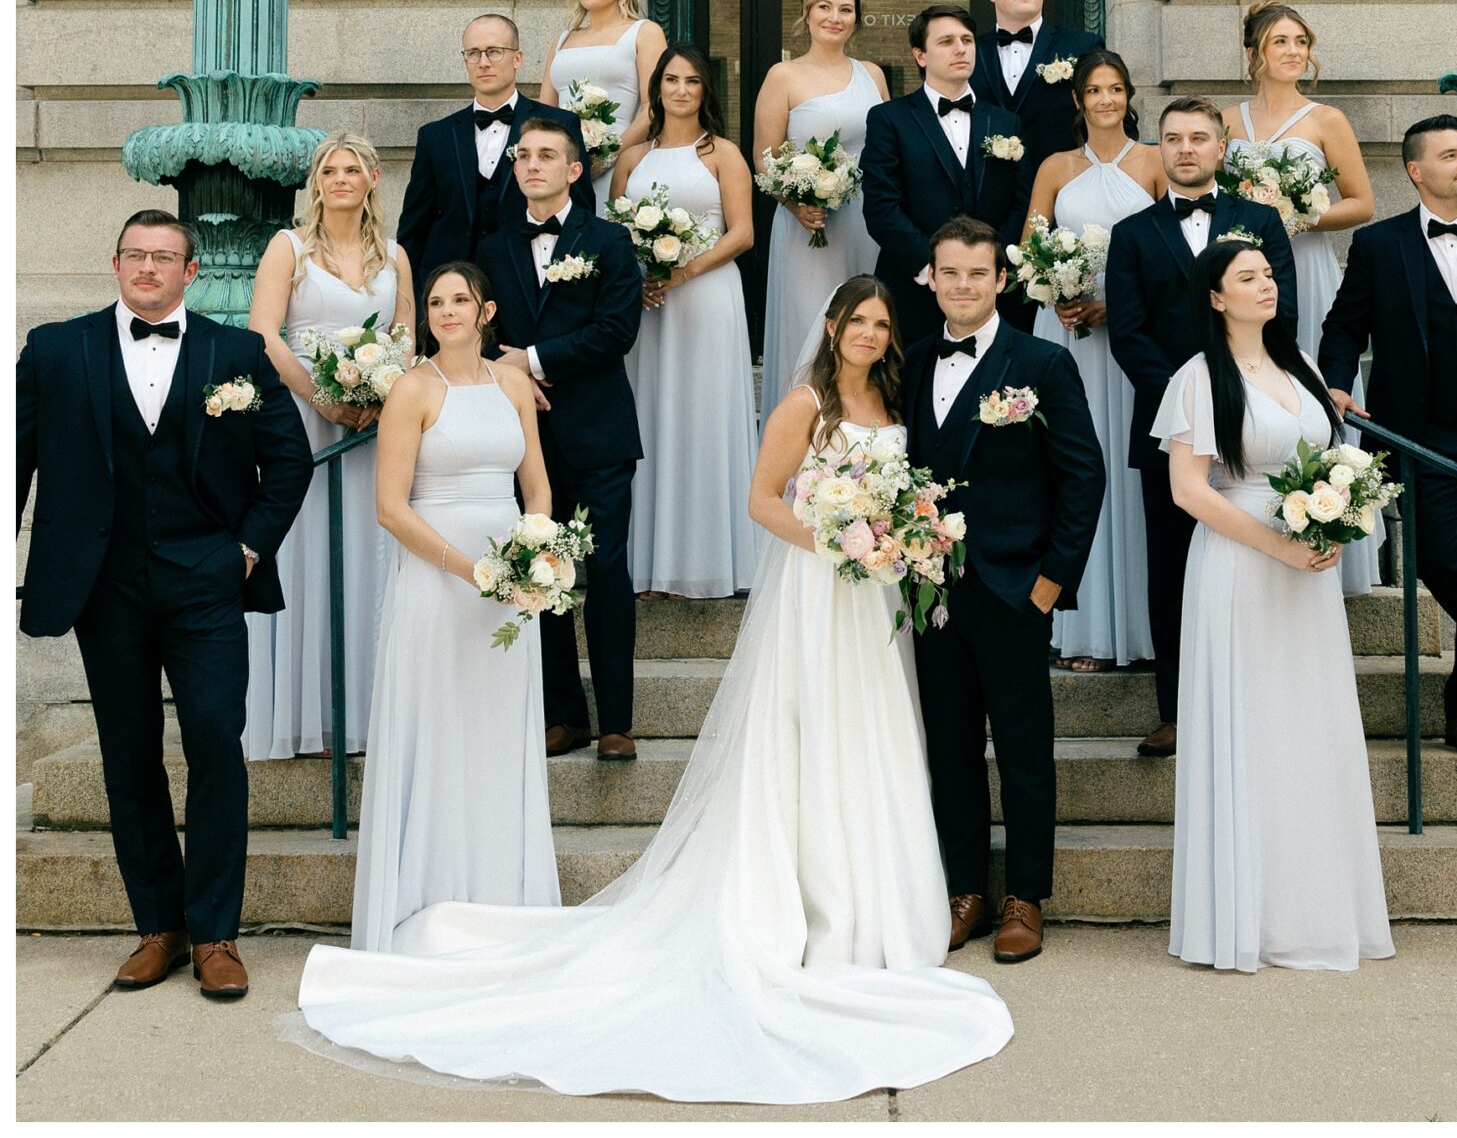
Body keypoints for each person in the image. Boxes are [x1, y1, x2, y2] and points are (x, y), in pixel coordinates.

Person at [294, 275, 1013, 1102]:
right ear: (832, 326)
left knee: (875, 737)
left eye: (883, 324)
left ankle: (877, 905)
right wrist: (837, 541)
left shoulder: (894, 404)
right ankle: (812, 907)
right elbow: (761, 500)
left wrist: (895, 542)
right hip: (820, 592)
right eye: (859, 321)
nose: (871, 334)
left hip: (871, 602)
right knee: (812, 736)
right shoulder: (800, 404)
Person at [16, 209, 312, 1002]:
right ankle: (159, 928)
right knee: (129, 753)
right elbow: (16, 461)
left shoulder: (235, 351)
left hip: (205, 581)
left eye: (165, 256)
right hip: (100, 585)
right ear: (116, 264)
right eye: (135, 255)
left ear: (190, 270)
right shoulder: (53, 349)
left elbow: (289, 463)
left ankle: (217, 933)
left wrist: (244, 551)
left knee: (216, 740)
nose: (148, 267)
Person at [1154, 234, 1394, 973]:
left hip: (1307, 572)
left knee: (1307, 726)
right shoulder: (1196, 378)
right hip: (1239, 564)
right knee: (1250, 726)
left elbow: (1329, 459)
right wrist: (1276, 544)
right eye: (1247, 277)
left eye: (1268, 275)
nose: (1266, 286)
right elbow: (1187, 490)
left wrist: (1338, 515)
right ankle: (1245, 916)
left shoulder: (1305, 367)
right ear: (1216, 297)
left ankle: (1315, 908)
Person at [903, 217, 1105, 966]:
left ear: (999, 281)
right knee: (949, 748)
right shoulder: (912, 361)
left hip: (1016, 588)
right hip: (930, 589)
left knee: (1023, 749)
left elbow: (1083, 476)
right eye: (948, 273)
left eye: (975, 274)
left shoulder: (1042, 363)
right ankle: (966, 890)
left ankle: (1026, 895)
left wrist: (1050, 583)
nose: (961, 286)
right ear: (931, 279)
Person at [345, 264, 561, 952]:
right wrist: (472, 571)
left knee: (499, 731)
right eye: (435, 302)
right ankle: (431, 894)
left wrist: (534, 555)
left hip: (508, 588)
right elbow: (389, 507)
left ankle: (507, 893)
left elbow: (537, 487)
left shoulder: (512, 383)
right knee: (438, 727)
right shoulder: (412, 389)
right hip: (439, 583)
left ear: (486, 308)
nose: (445, 311)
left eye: (458, 299)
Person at [1318, 114, 1457, 758]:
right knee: (1444, 558)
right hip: (1416, 436)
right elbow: (1342, 328)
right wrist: (1335, 383)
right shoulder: (1379, 246)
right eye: (1450, 155)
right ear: (1417, 171)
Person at [1104, 97, 1297, 756]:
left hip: (1258, 427)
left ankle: (1258, 699)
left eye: (1197, 138)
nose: (1184, 149)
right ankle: (1176, 710)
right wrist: (1189, 406)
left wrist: (1236, 397)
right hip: (1167, 427)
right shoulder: (1131, 233)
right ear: (1159, 149)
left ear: (1220, 149)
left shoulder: (1260, 221)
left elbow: (1283, 314)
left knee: (1257, 554)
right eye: (1171, 139)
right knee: (1170, 567)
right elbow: (1127, 335)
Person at [244, 131, 414, 760]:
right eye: (328, 170)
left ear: (372, 179)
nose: (338, 178)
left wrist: (379, 396)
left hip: (374, 424)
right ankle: (304, 717)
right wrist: (325, 400)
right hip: (303, 414)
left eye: (351, 169)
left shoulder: (395, 256)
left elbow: (405, 339)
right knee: (308, 546)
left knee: (366, 551)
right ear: (315, 183)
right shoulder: (288, 247)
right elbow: (264, 332)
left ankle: (368, 716)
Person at [482, 117, 643, 760]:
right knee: (538, 570)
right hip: (523, 441)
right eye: (523, 155)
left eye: (547, 155)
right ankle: (563, 713)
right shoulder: (494, 248)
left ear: (575, 170)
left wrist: (536, 360)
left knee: (603, 572)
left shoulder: (608, 240)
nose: (532, 165)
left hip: (599, 435)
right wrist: (509, 371)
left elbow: (615, 331)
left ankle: (616, 722)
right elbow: (479, 332)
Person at [1220, 1, 1380, 598]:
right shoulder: (1227, 122)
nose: (1293, 51)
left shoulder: (1326, 120)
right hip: (1242, 272)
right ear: (1254, 54)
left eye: (1300, 42)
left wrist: (1301, 215)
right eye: (1279, 42)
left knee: (1310, 380)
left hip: (1305, 266)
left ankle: (1331, 518)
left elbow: (1361, 201)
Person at [1024, 48, 1159, 672]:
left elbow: (1169, 255)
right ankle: (1078, 628)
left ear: (1129, 96)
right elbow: (1030, 252)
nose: (1105, 100)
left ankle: (1135, 626)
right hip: (1064, 336)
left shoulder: (1156, 164)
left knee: (1130, 474)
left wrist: (1115, 305)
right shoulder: (1054, 167)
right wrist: (1059, 291)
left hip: (1129, 339)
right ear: (1077, 100)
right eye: (1094, 90)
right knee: (1067, 469)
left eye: (1115, 89)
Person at [610, 44, 758, 600]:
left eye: (691, 81)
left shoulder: (722, 153)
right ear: (657, 89)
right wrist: (640, 275)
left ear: (705, 91)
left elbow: (742, 233)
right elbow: (615, 232)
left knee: (703, 417)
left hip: (708, 298)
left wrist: (684, 271)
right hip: (649, 306)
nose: (679, 90)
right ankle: (651, 566)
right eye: (670, 80)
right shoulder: (632, 158)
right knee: (652, 417)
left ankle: (708, 561)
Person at [753, 0, 886, 418]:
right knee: (811, 330)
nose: (835, 17)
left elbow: (886, 151)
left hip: (864, 223)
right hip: (808, 229)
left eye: (845, 9)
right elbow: (765, 158)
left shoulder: (873, 75)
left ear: (857, 18)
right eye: (825, 7)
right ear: (808, 14)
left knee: (865, 325)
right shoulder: (782, 76)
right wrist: (796, 205)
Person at [860, 5, 1031, 353]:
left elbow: (1021, 203)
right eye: (947, 41)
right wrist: (936, 272)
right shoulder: (888, 119)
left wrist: (992, 267)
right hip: (914, 289)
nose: (961, 49)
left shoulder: (1005, 123)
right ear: (920, 55)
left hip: (994, 296)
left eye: (967, 40)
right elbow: (881, 208)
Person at [396, 12, 590, 285]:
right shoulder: (435, 136)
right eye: (473, 53)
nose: (483, 62)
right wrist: (413, 295)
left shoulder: (560, 124)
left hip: (528, 284)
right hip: (450, 287)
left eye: (494, 52)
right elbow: (413, 229)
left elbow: (580, 215)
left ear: (517, 58)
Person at [539, 0, 667, 212]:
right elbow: (543, 113)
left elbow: (653, 107)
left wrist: (605, 158)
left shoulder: (644, 32)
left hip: (617, 163)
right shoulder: (561, 40)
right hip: (562, 170)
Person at [969, 0, 1102, 191]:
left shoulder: (1083, 46)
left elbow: (1112, 121)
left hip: (1066, 190)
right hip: (987, 198)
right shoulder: (968, 53)